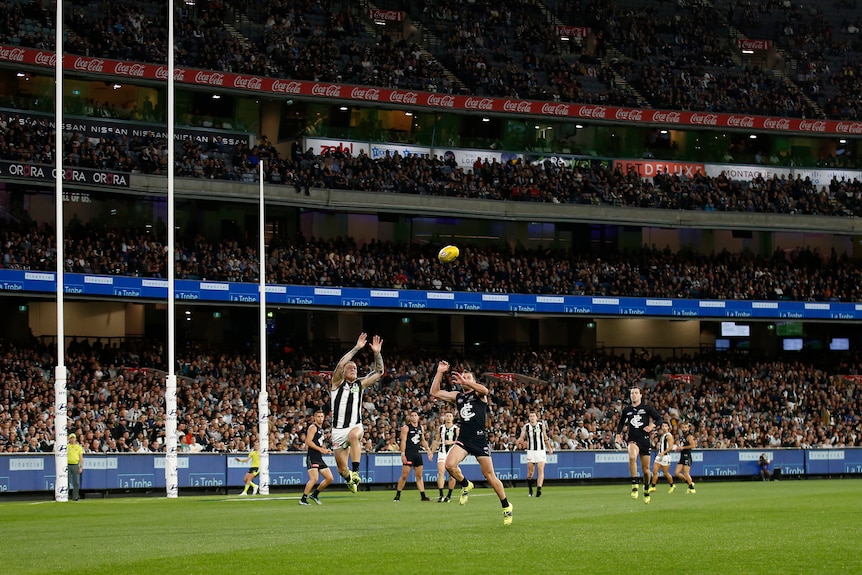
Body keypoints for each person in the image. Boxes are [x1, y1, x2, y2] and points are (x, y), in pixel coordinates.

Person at [430, 360, 513, 526]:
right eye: (463, 377)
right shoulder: (458, 396)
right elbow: (435, 392)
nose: (463, 379)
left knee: (489, 476)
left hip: (479, 439)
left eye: (468, 377)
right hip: (464, 439)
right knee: (449, 465)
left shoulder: (478, 395)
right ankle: (466, 484)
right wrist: (439, 372)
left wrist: (466, 382)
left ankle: (506, 505)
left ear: (473, 381)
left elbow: (485, 390)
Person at [330, 332, 384, 493]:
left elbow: (379, 372)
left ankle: (356, 473)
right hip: (337, 431)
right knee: (341, 470)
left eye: (355, 368)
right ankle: (349, 479)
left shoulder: (360, 384)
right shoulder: (337, 383)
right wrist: (356, 348)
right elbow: (340, 365)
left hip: (355, 425)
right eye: (350, 368)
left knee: (354, 436)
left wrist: (377, 353)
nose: (354, 369)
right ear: (344, 372)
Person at [615, 386, 662, 504]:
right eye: (632, 393)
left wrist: (652, 426)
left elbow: (659, 419)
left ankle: (646, 489)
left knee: (646, 471)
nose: (634, 395)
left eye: (636, 393)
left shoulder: (646, 408)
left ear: (640, 395)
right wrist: (618, 434)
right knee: (631, 457)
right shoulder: (627, 410)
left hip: (645, 440)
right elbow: (621, 423)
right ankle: (634, 484)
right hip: (633, 439)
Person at [393, 410, 433, 502]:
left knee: (419, 476)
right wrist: (403, 454)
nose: (414, 417)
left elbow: (422, 440)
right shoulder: (406, 428)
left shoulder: (421, 428)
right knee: (404, 475)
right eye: (412, 415)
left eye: (415, 415)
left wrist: (428, 449)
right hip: (409, 454)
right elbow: (403, 441)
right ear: (410, 418)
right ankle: (397, 495)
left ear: (418, 417)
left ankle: (423, 496)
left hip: (417, 454)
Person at [516, 411, 553, 497]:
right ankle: (530, 489)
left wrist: (549, 447)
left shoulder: (541, 425)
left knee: (540, 469)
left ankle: (539, 489)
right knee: (530, 473)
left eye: (533, 416)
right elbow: (522, 436)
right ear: (529, 418)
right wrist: (519, 440)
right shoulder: (526, 427)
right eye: (531, 416)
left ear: (536, 417)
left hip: (540, 450)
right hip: (531, 451)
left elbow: (545, 437)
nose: (532, 417)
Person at [300, 410, 333, 505]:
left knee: (329, 478)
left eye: (322, 416)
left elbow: (318, 442)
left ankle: (315, 495)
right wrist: (321, 449)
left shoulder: (321, 429)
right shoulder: (313, 427)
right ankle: (303, 499)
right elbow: (308, 442)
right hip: (312, 456)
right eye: (318, 416)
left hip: (319, 457)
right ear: (314, 418)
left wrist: (324, 449)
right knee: (314, 479)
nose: (320, 418)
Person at [430, 411, 459, 502]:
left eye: (450, 416)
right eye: (447, 416)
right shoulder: (441, 428)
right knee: (441, 473)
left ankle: (449, 496)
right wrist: (431, 452)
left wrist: (452, 442)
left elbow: (460, 442)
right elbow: (436, 441)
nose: (449, 417)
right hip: (442, 452)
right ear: (444, 418)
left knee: (452, 475)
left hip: (452, 454)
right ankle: (441, 495)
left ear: (452, 418)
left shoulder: (456, 429)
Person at [649, 422, 675, 493]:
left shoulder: (668, 436)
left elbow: (671, 447)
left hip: (665, 456)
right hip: (659, 455)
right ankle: (653, 487)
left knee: (665, 473)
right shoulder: (662, 435)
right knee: (654, 471)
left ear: (668, 427)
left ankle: (672, 485)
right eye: (662, 426)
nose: (663, 427)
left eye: (665, 426)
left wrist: (663, 452)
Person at [673, 421, 697, 493]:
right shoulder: (682, 436)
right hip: (682, 456)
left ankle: (692, 488)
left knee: (686, 473)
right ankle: (689, 483)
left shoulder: (689, 436)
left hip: (687, 456)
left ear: (688, 428)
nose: (684, 429)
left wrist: (683, 448)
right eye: (683, 427)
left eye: (685, 427)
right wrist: (678, 448)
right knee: (677, 473)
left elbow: (693, 445)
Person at [67, 432, 84, 501]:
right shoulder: (67, 446)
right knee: (66, 481)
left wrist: (80, 466)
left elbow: (81, 457)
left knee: (76, 482)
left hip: (75, 465)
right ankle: (66, 495)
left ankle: (75, 496)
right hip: (68, 465)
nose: (73, 439)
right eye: (71, 438)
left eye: (74, 438)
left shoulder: (78, 447)